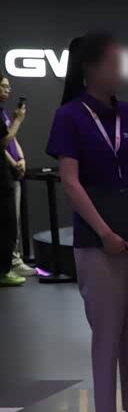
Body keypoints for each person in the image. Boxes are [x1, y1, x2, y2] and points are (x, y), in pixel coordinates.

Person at [46, 32, 128, 412]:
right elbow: (70, 182)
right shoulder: (70, 116)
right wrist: (104, 231)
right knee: (107, 330)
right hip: (97, 241)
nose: (120, 70)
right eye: (113, 62)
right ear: (90, 68)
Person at [1, 75, 37, 286]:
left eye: (8, 86)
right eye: (3, 86)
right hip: (5, 172)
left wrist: (21, 158)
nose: (8, 90)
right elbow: (2, 143)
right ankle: (11, 262)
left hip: (12, 172)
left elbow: (12, 139)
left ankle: (14, 259)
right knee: (8, 221)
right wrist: (18, 120)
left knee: (12, 219)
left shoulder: (4, 112)